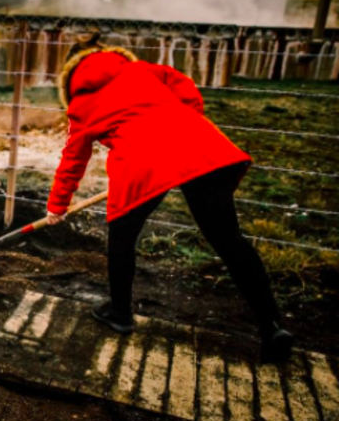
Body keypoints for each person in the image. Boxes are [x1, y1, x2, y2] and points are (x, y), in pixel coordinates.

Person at [46, 36, 294, 362]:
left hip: (140, 162)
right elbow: (187, 89)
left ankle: (120, 313)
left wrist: (57, 206)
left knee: (122, 238)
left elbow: (73, 159)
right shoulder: (142, 70)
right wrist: (183, 129)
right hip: (201, 146)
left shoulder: (81, 104)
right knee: (229, 240)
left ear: (70, 78)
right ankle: (272, 324)